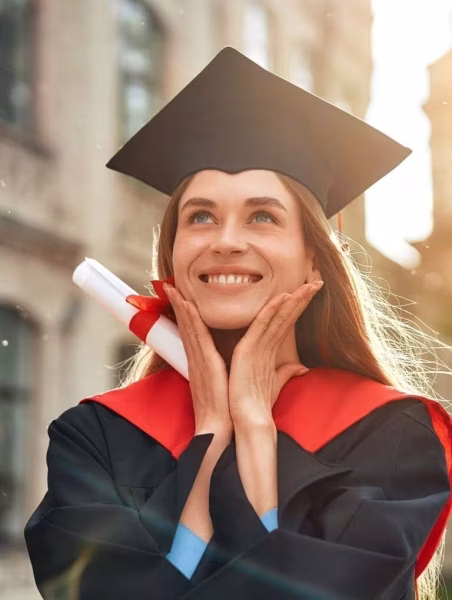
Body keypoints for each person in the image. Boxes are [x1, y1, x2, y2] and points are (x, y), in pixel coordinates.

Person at [24, 47, 452, 600]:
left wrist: (253, 424)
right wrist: (211, 433)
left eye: (262, 216)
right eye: (200, 216)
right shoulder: (96, 438)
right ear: (173, 252)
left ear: (315, 257)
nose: (225, 240)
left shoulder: (390, 435)